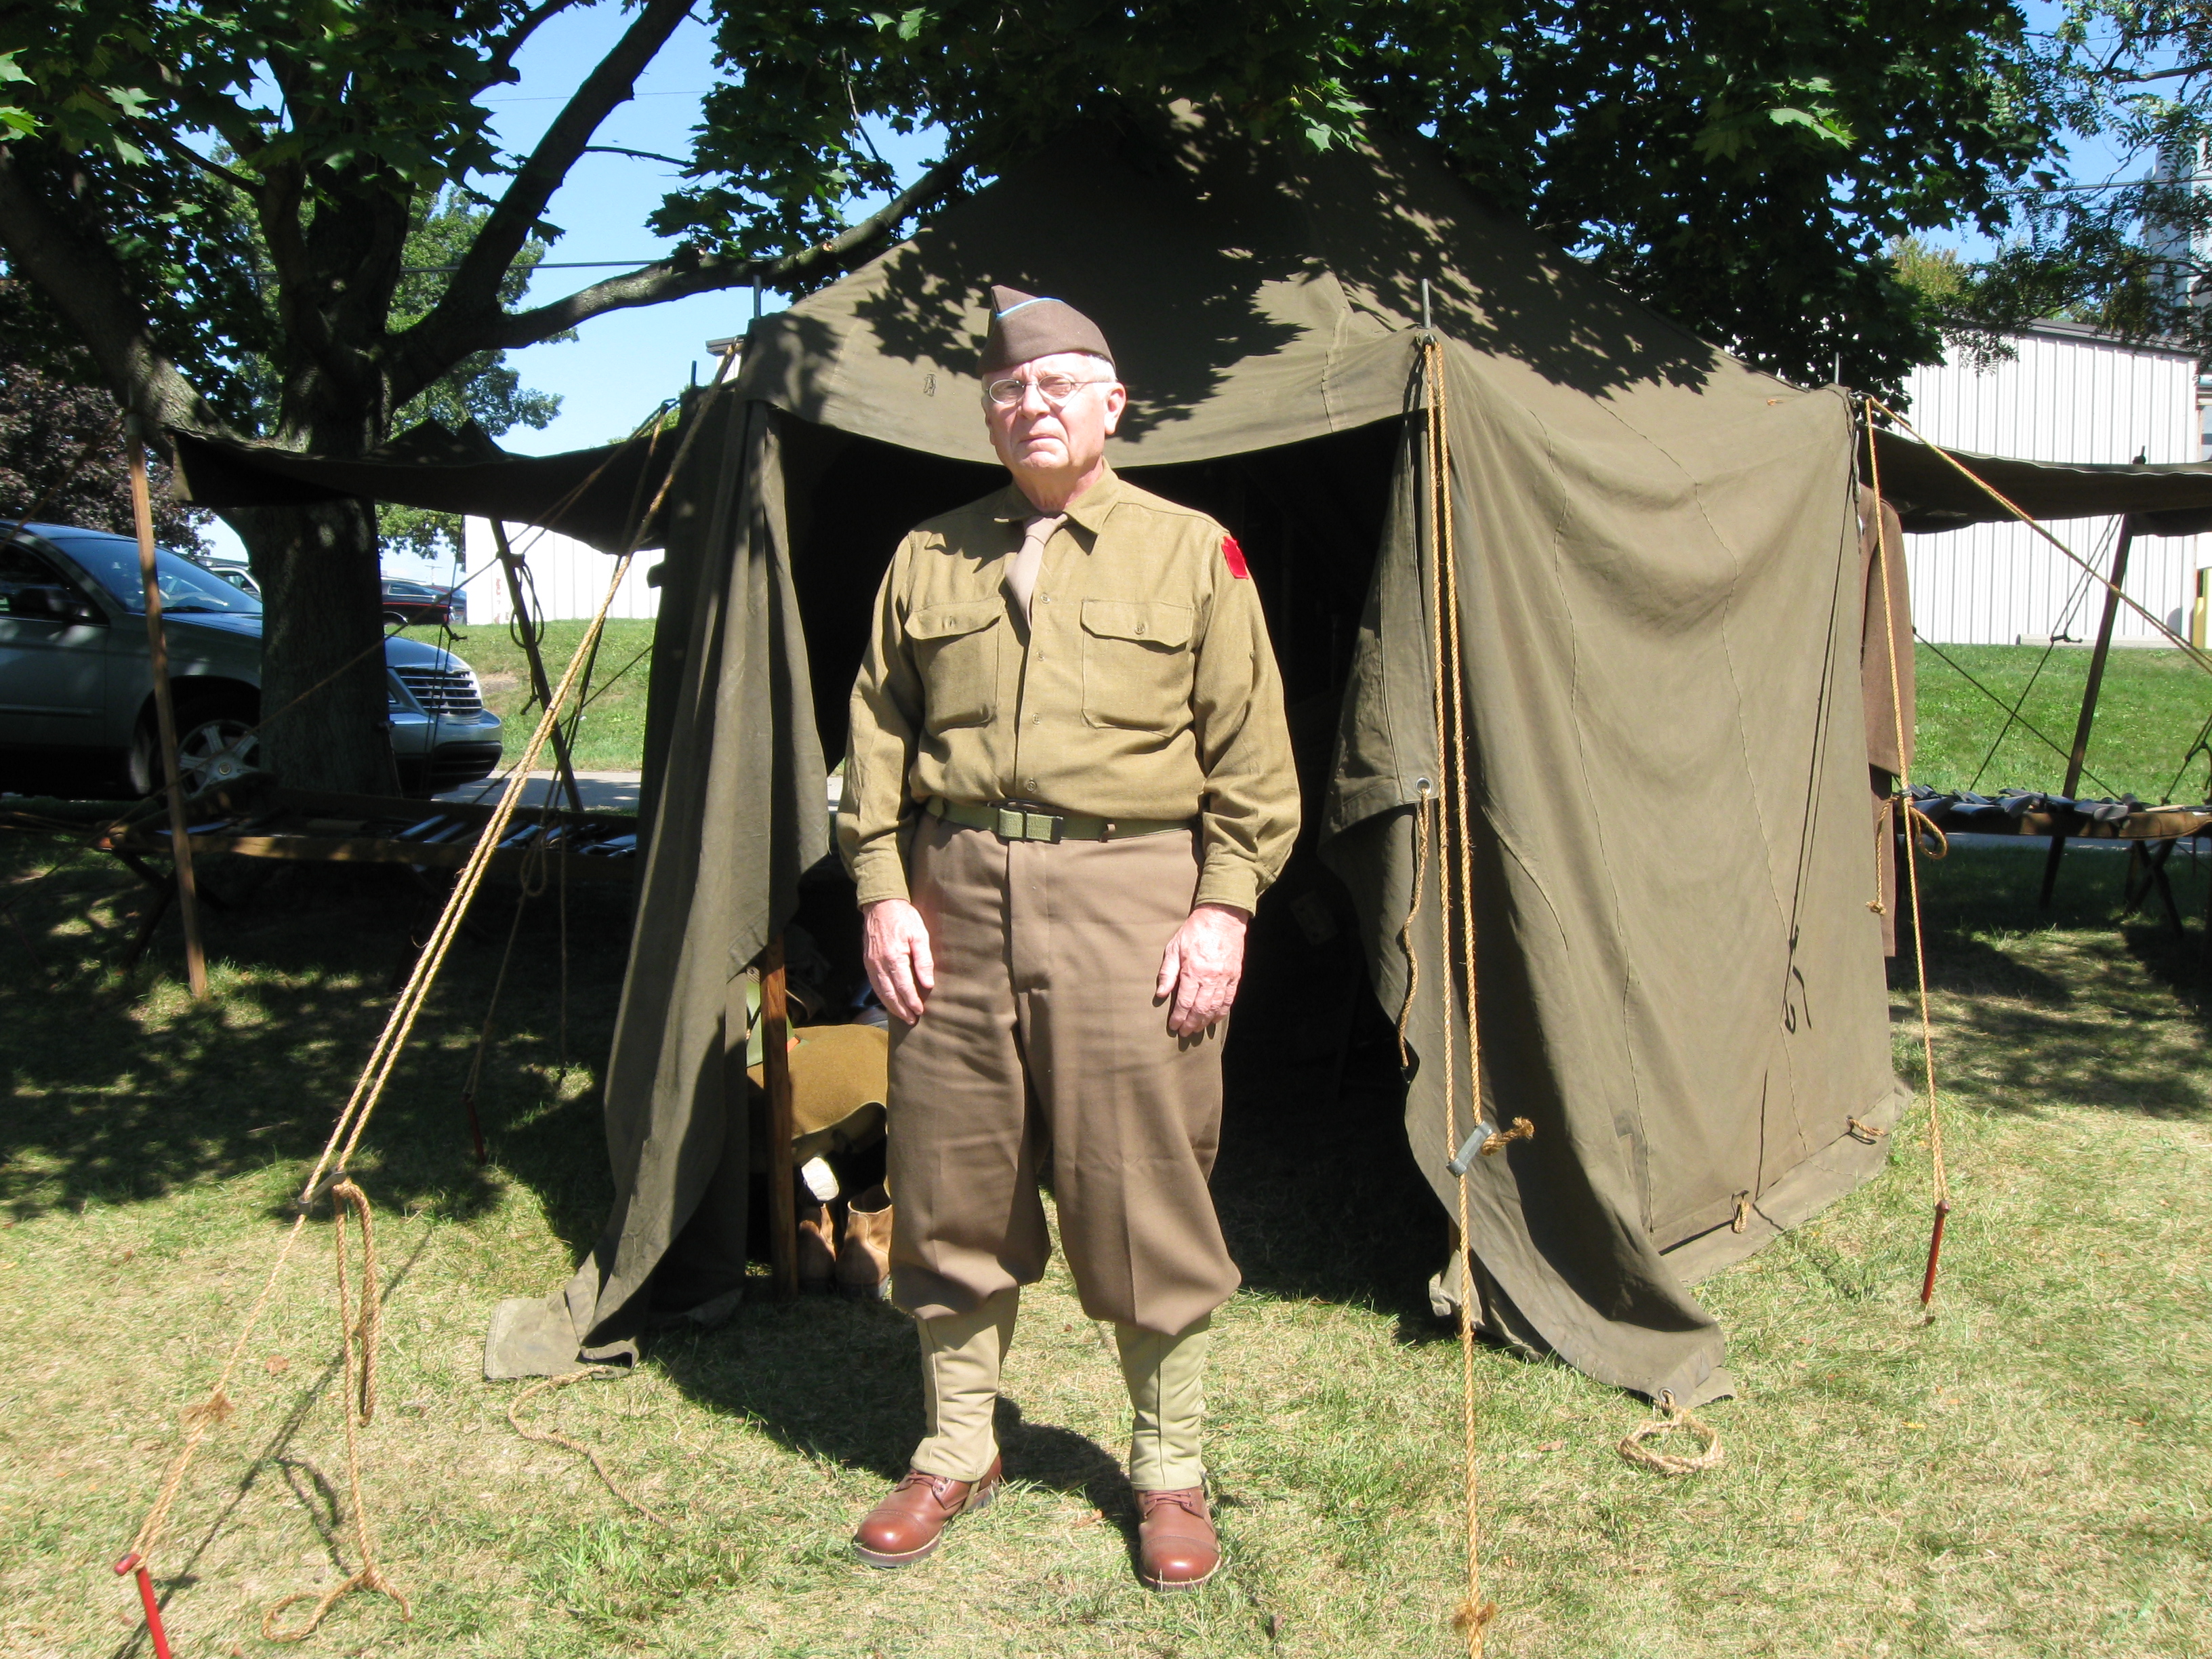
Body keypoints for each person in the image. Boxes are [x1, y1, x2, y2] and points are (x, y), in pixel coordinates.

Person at [836, 285, 1300, 1589]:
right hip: (955, 899)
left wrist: (1223, 907)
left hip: (1129, 896)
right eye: (1007, 392)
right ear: (986, 413)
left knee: (1140, 1187)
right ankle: (957, 1446)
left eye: (1056, 388)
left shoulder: (1189, 549)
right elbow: (873, 741)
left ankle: (1168, 1473)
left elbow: (1255, 764)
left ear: (1111, 405)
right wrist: (881, 888)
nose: (1030, 408)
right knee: (952, 1183)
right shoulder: (928, 555)